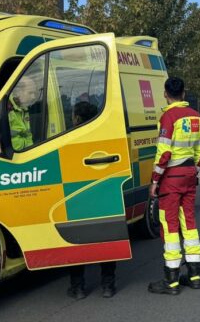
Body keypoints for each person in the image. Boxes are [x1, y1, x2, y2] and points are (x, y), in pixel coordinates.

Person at [149, 77, 200, 295]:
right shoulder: (196, 116)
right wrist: (193, 172)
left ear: (166, 93)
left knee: (169, 226)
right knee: (189, 224)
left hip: (171, 179)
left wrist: (155, 181)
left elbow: (163, 153)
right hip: (189, 175)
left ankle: (171, 281)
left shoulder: (168, 117)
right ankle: (194, 276)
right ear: (184, 93)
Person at [66, 100, 117, 299]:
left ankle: (77, 288)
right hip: (104, 193)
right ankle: (108, 286)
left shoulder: (68, 138)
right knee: (106, 239)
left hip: (77, 195)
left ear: (77, 118)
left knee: (77, 241)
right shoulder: (106, 137)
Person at [8, 78, 41, 151]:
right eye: (30, 93)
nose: (33, 97)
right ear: (18, 92)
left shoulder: (24, 108)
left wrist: (31, 151)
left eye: (34, 93)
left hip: (24, 154)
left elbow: (28, 135)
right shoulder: (6, 109)